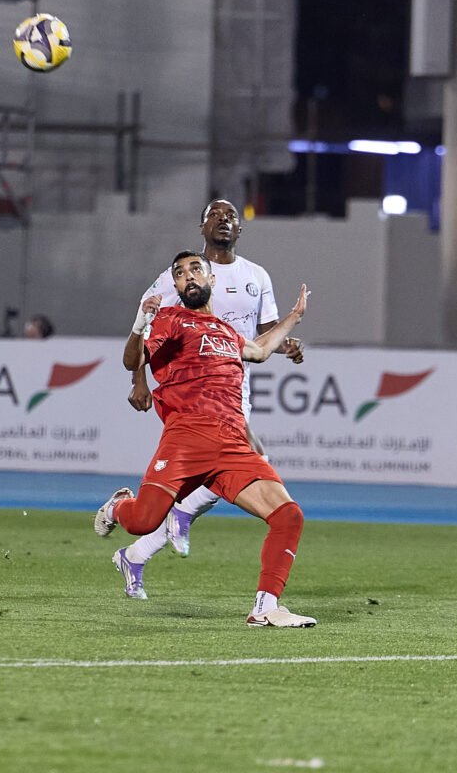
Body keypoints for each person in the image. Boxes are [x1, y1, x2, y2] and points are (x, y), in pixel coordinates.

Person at [94, 250, 316, 629]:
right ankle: (118, 507)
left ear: (212, 279)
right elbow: (133, 360)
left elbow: (261, 350)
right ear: (177, 286)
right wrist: (139, 324)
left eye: (195, 269)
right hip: (186, 439)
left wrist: (294, 317)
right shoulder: (170, 319)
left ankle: (265, 607)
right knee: (143, 521)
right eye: (180, 274)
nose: (188, 276)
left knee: (288, 515)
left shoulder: (227, 332)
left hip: (232, 445)